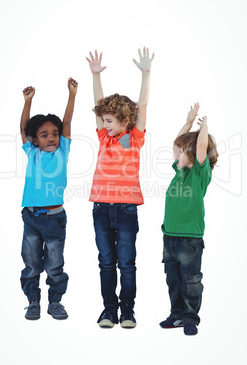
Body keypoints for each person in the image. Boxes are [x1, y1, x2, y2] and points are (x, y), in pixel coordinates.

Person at [86, 48, 154, 328]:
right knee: (105, 263)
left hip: (126, 210)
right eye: (103, 120)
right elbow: (98, 102)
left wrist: (146, 73)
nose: (104, 124)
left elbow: (143, 105)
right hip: (101, 208)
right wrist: (95, 75)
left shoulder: (134, 138)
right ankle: (108, 310)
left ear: (125, 121)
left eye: (110, 121)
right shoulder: (104, 138)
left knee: (126, 263)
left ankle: (127, 310)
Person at [20, 77, 78, 320]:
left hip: (55, 218)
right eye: (44, 135)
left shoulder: (63, 150)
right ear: (35, 140)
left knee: (54, 264)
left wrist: (72, 94)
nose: (52, 138)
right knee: (32, 262)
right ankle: (33, 301)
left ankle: (55, 302)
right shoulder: (32, 152)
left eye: (54, 134)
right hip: (31, 217)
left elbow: (66, 122)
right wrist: (27, 102)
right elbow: (23, 128)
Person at [160, 103, 218, 335]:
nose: (176, 153)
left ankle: (190, 317)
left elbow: (201, 145)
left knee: (190, 281)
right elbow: (177, 142)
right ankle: (176, 315)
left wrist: (203, 127)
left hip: (189, 240)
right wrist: (187, 122)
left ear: (194, 156)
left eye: (182, 152)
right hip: (169, 236)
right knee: (173, 279)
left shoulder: (198, 174)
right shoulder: (180, 171)